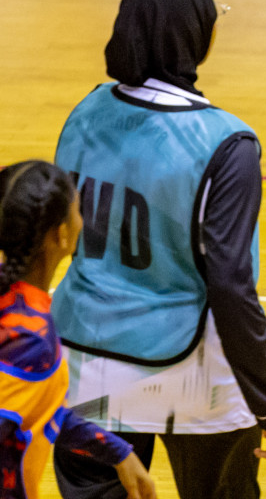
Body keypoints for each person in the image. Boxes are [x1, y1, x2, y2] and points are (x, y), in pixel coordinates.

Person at [51, 0, 266, 499]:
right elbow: (231, 285)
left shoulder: (84, 111)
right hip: (193, 375)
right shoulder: (227, 143)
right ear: (197, 36)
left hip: (84, 362)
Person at [0, 161, 156, 499]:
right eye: (78, 210)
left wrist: (116, 451)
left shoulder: (18, 306)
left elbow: (34, 409)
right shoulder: (29, 338)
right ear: (62, 234)